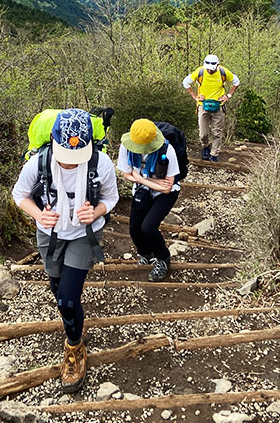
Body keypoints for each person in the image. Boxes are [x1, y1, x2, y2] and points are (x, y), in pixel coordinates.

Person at [11, 108, 119, 393]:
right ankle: (75, 326)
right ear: (54, 141)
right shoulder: (39, 163)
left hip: (84, 234)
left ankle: (74, 348)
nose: (70, 164)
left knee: (68, 300)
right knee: (58, 292)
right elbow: (19, 195)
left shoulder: (101, 163)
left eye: (77, 157)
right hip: (50, 234)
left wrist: (95, 211)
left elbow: (112, 197)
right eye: (66, 156)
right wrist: (38, 215)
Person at [116, 119, 182, 282]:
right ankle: (147, 253)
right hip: (142, 191)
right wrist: (153, 182)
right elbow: (126, 174)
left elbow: (167, 187)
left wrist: (141, 178)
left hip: (165, 195)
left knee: (148, 227)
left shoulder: (168, 150)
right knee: (134, 230)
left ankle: (163, 258)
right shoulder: (126, 146)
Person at [182, 54, 239, 161]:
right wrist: (195, 97)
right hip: (203, 105)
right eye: (208, 69)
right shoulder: (200, 72)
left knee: (217, 132)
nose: (210, 71)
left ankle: (214, 155)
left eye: (212, 69)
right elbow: (186, 82)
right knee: (203, 134)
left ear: (217, 65)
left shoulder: (223, 72)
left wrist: (228, 96)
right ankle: (205, 146)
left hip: (219, 106)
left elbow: (236, 82)